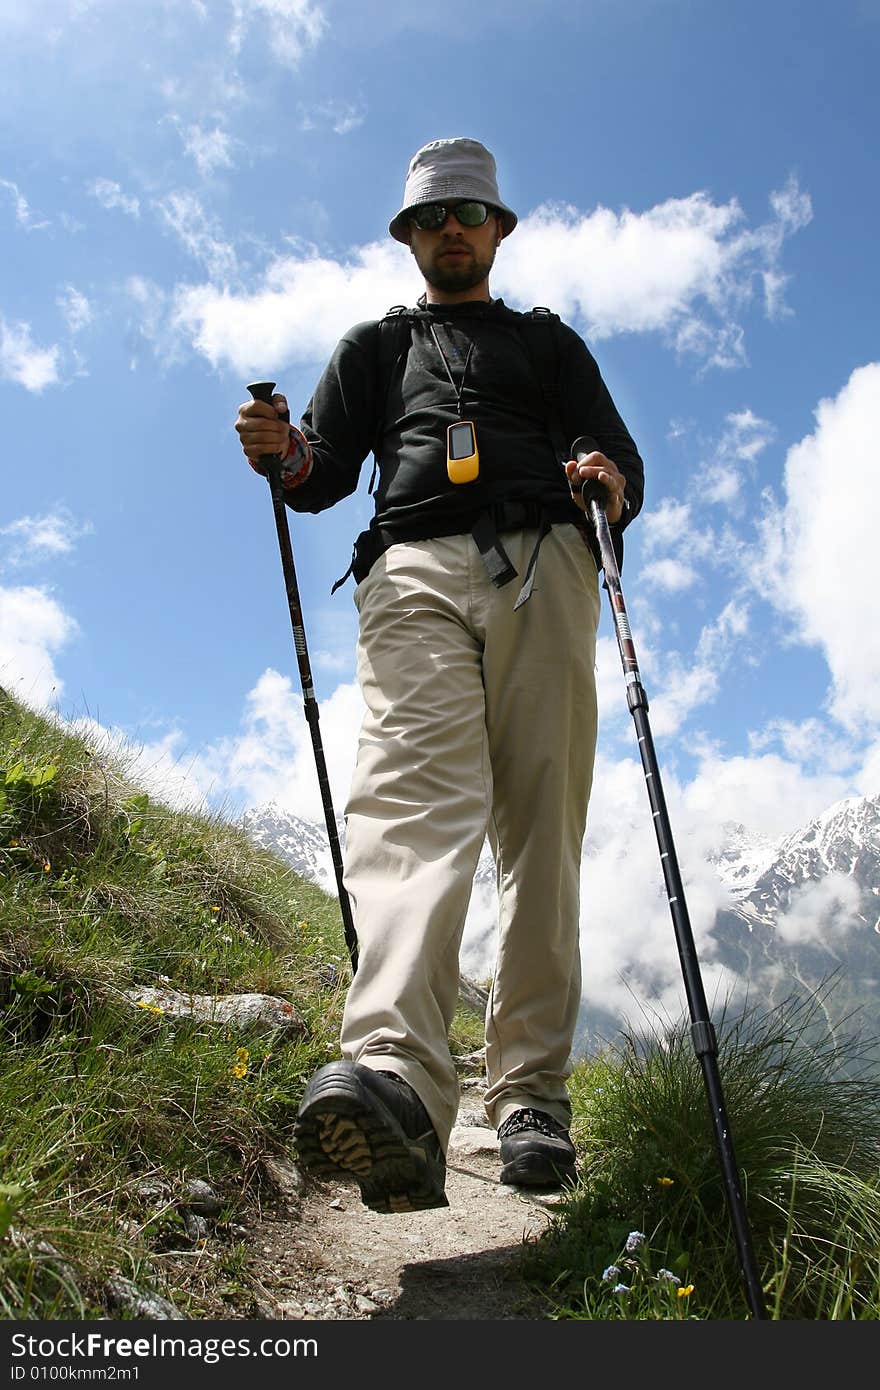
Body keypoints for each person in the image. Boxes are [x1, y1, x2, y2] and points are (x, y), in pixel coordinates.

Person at [235, 136, 644, 1214]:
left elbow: (616, 460)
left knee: (539, 829)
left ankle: (528, 1100)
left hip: (545, 561)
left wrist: (605, 479)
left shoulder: (548, 345)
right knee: (412, 809)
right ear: (409, 237)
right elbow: (317, 478)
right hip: (409, 567)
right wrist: (283, 451)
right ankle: (397, 1082)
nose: (450, 229)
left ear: (498, 229)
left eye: (468, 212)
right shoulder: (374, 345)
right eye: (430, 218)